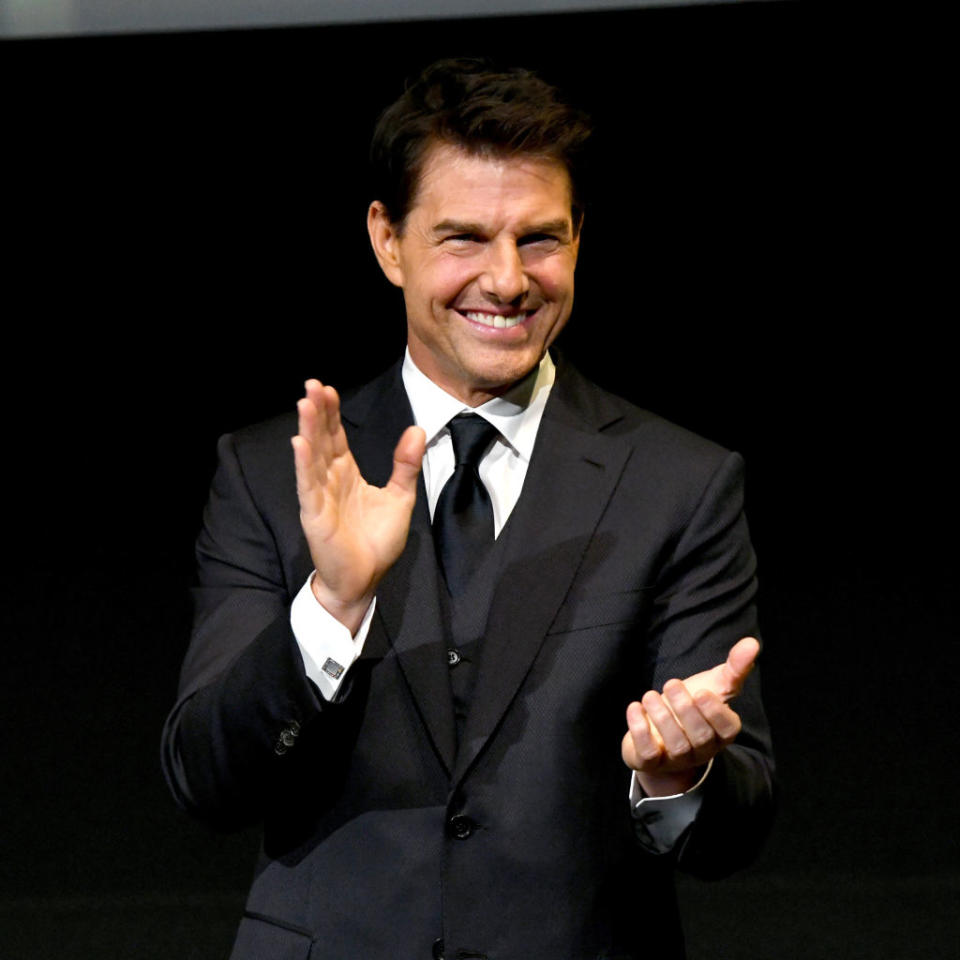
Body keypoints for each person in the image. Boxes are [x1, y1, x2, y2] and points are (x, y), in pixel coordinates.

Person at [162, 58, 775, 960]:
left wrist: (679, 777)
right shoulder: (270, 472)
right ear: (387, 241)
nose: (507, 279)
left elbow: (737, 827)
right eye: (462, 238)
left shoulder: (678, 482)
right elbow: (204, 780)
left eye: (540, 238)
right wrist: (329, 611)